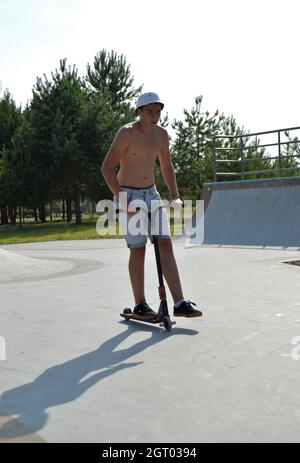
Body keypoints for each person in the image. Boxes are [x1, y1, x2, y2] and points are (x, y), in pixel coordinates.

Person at [101, 92, 202, 320]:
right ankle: (140, 304)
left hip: (152, 195)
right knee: (138, 249)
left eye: (158, 111)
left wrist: (175, 195)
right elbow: (106, 167)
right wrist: (121, 197)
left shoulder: (161, 135)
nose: (154, 115)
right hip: (128, 193)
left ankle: (179, 302)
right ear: (139, 112)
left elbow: (166, 167)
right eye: (149, 111)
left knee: (165, 244)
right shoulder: (126, 133)